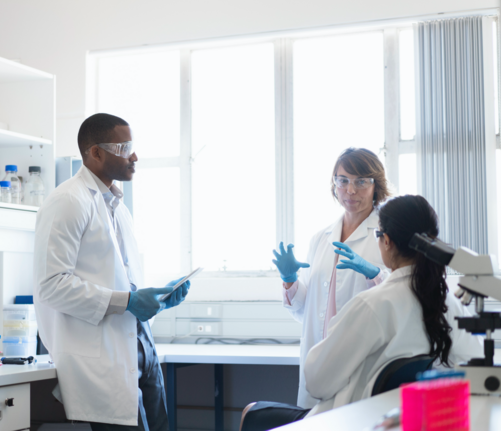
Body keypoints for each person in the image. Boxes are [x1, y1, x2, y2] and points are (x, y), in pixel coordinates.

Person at [240, 195, 483, 430]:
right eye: (343, 181)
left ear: (386, 241)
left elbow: (316, 383)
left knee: (251, 411)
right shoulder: (449, 302)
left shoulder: (371, 305)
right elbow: (475, 364)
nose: (350, 189)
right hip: (401, 418)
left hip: (351, 419)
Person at [33, 113, 189, 430]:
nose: (133, 156)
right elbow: (51, 286)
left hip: (139, 345)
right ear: (96, 153)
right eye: (123, 147)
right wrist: (127, 302)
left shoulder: (118, 206)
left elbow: (121, 281)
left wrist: (158, 299)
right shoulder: (67, 201)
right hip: (102, 356)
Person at [272, 147, 392, 408]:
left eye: (361, 182)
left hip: (360, 361)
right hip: (319, 358)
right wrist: (290, 280)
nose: (350, 190)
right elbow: (309, 312)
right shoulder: (320, 238)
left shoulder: (387, 234)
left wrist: (376, 275)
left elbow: (400, 299)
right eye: (343, 180)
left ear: (376, 186)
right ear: (334, 184)